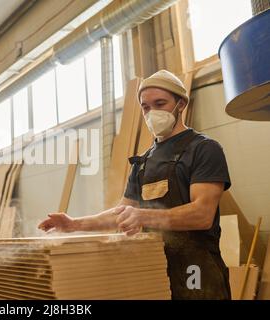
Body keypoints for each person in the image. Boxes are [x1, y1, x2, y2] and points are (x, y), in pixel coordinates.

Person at [38, 70, 232, 300]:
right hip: (154, 265)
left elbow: (202, 215)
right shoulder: (143, 161)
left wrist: (142, 217)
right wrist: (74, 224)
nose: (152, 112)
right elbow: (122, 212)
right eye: (146, 107)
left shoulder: (203, 149)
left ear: (180, 103)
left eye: (160, 103)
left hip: (195, 269)